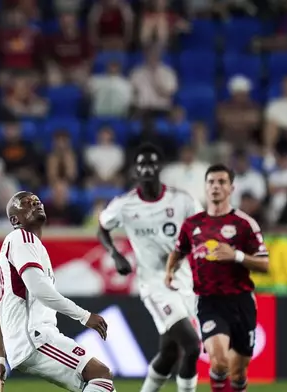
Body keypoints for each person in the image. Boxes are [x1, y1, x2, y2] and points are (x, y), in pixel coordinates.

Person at [0, 191, 115, 392]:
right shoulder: (22, 238)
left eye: (37, 200)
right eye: (26, 203)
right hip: (35, 338)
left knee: (101, 386)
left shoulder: (19, 245)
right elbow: (38, 289)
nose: (35, 203)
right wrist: (84, 316)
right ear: (14, 219)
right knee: (100, 374)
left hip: (29, 341)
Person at [97, 143, 202, 392]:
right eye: (142, 164)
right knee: (192, 345)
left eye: (152, 163)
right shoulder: (125, 204)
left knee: (168, 353)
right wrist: (115, 254)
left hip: (184, 281)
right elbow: (103, 227)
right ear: (136, 170)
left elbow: (201, 230)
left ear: (160, 168)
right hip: (154, 285)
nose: (147, 169)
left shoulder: (182, 200)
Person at [165, 164, 270, 392]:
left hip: (241, 301)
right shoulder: (192, 225)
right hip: (208, 301)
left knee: (238, 372)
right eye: (211, 182)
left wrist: (237, 255)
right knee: (220, 361)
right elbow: (178, 251)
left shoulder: (244, 225)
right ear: (205, 187)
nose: (215, 186)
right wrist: (170, 271)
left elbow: (264, 264)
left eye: (221, 182)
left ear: (231, 188)